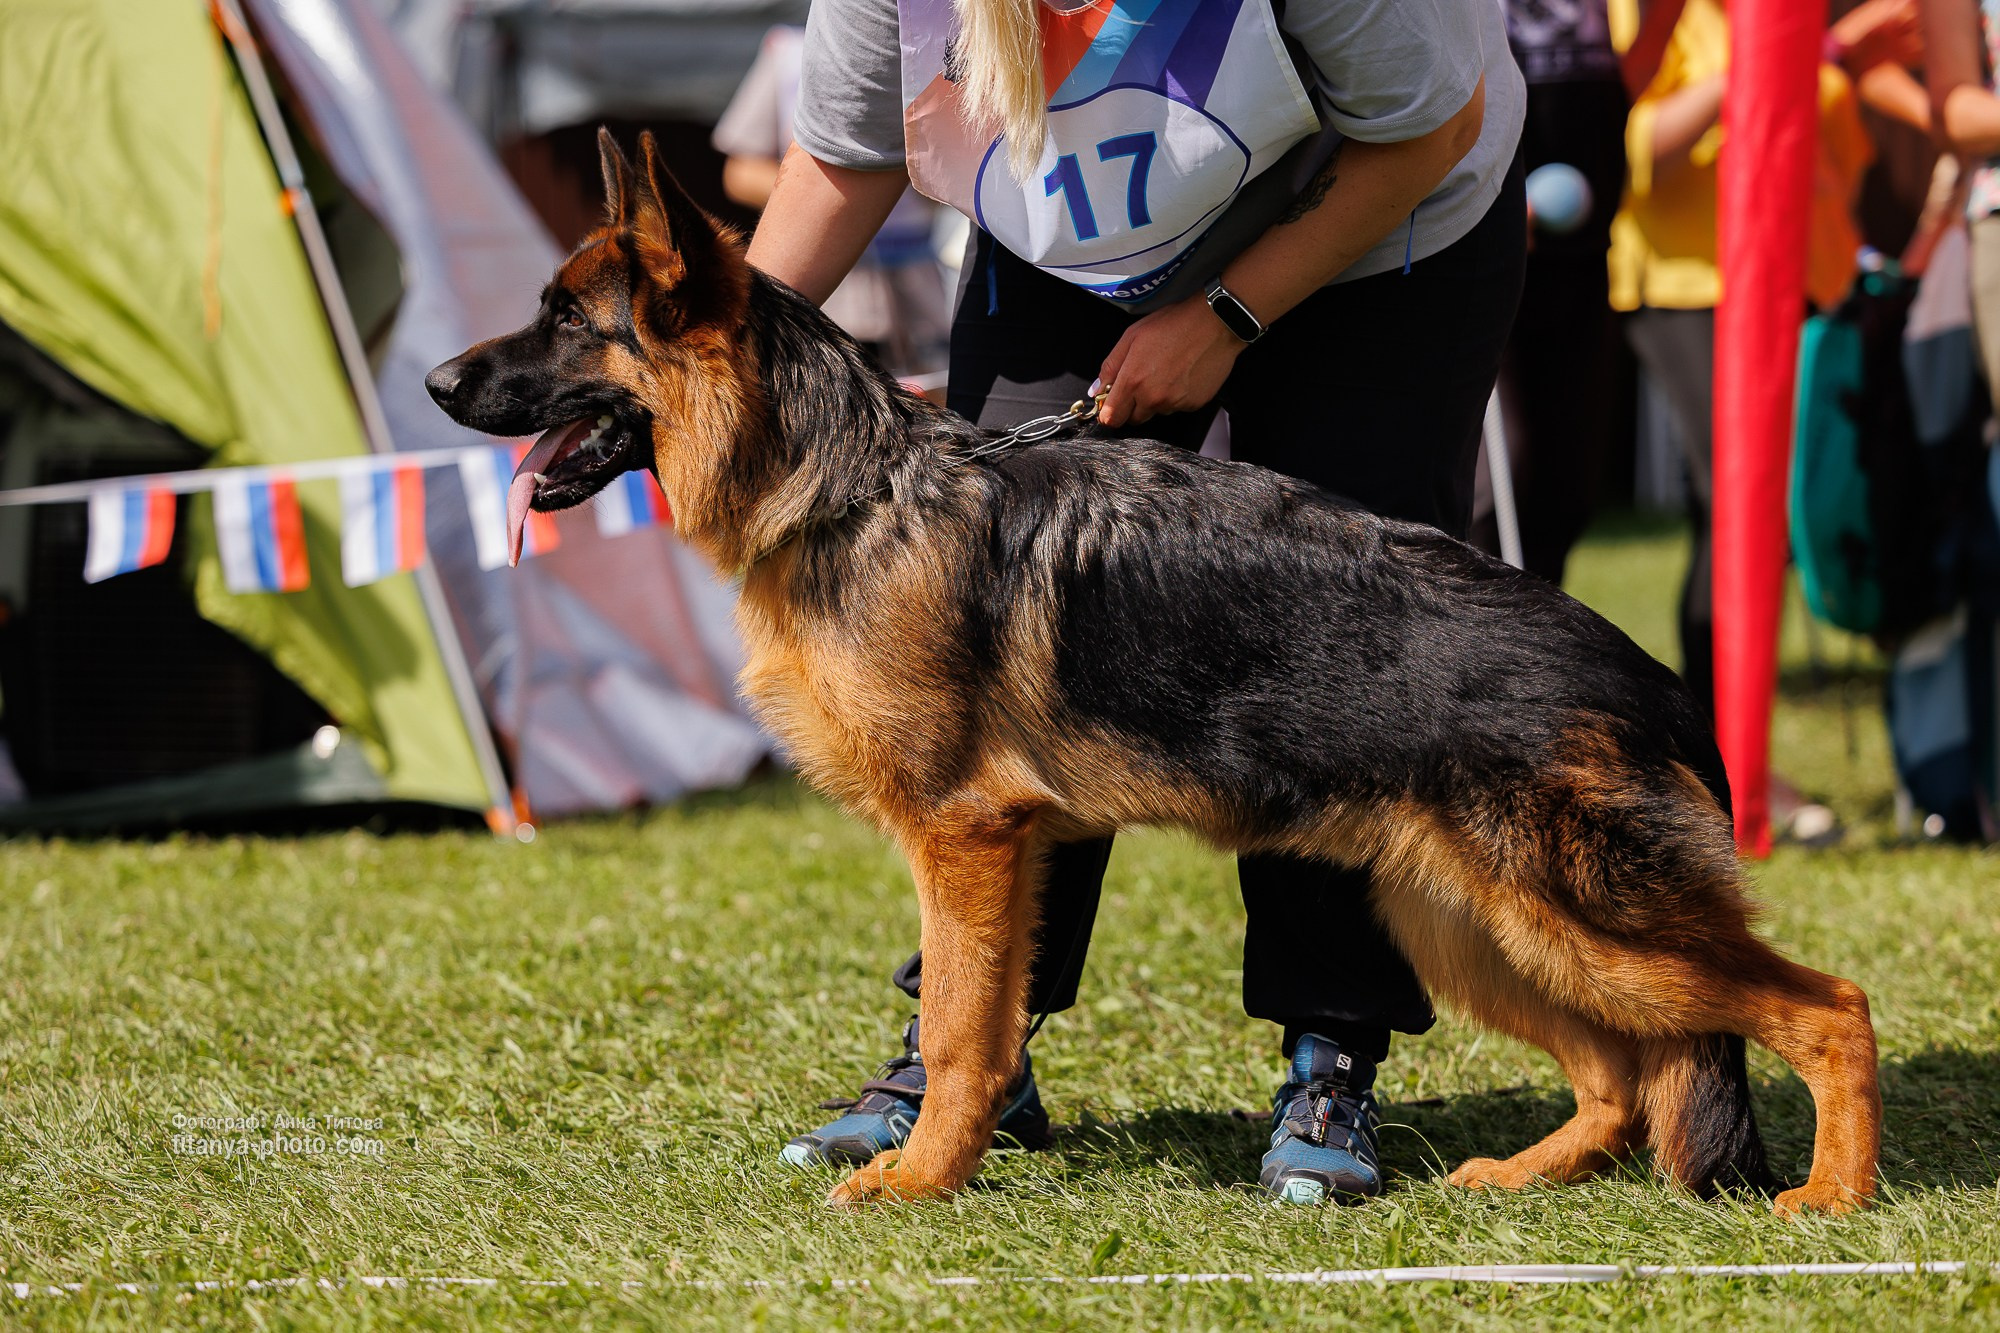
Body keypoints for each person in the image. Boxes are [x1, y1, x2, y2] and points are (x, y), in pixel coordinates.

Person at [748, 0, 1526, 1203]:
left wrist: (1225, 316)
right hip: (1070, 243)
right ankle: (972, 1065)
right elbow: (841, 159)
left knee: (1341, 645)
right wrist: (690, 362)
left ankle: (1330, 1055)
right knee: (994, 629)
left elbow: (1428, 127)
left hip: (1380, 226)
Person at [1609, 0, 1920, 726]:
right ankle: (1713, 736)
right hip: (1689, 286)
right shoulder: (1653, 12)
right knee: (1738, 496)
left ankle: (1728, 731)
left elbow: (1841, 158)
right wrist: (1763, 67)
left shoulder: (1795, 14)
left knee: (1773, 500)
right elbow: (1637, 145)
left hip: (1793, 285)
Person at [1470, 0, 1629, 584]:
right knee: (1501, 481)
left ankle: (1537, 630)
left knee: (1567, 482)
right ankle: (1476, 631)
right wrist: (1492, 195)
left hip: (1585, 249)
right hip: (1486, 233)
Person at [711, 25, 951, 377]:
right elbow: (741, 171)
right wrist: (834, 193)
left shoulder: (929, 34)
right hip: (831, 291)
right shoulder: (789, 53)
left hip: (916, 286)